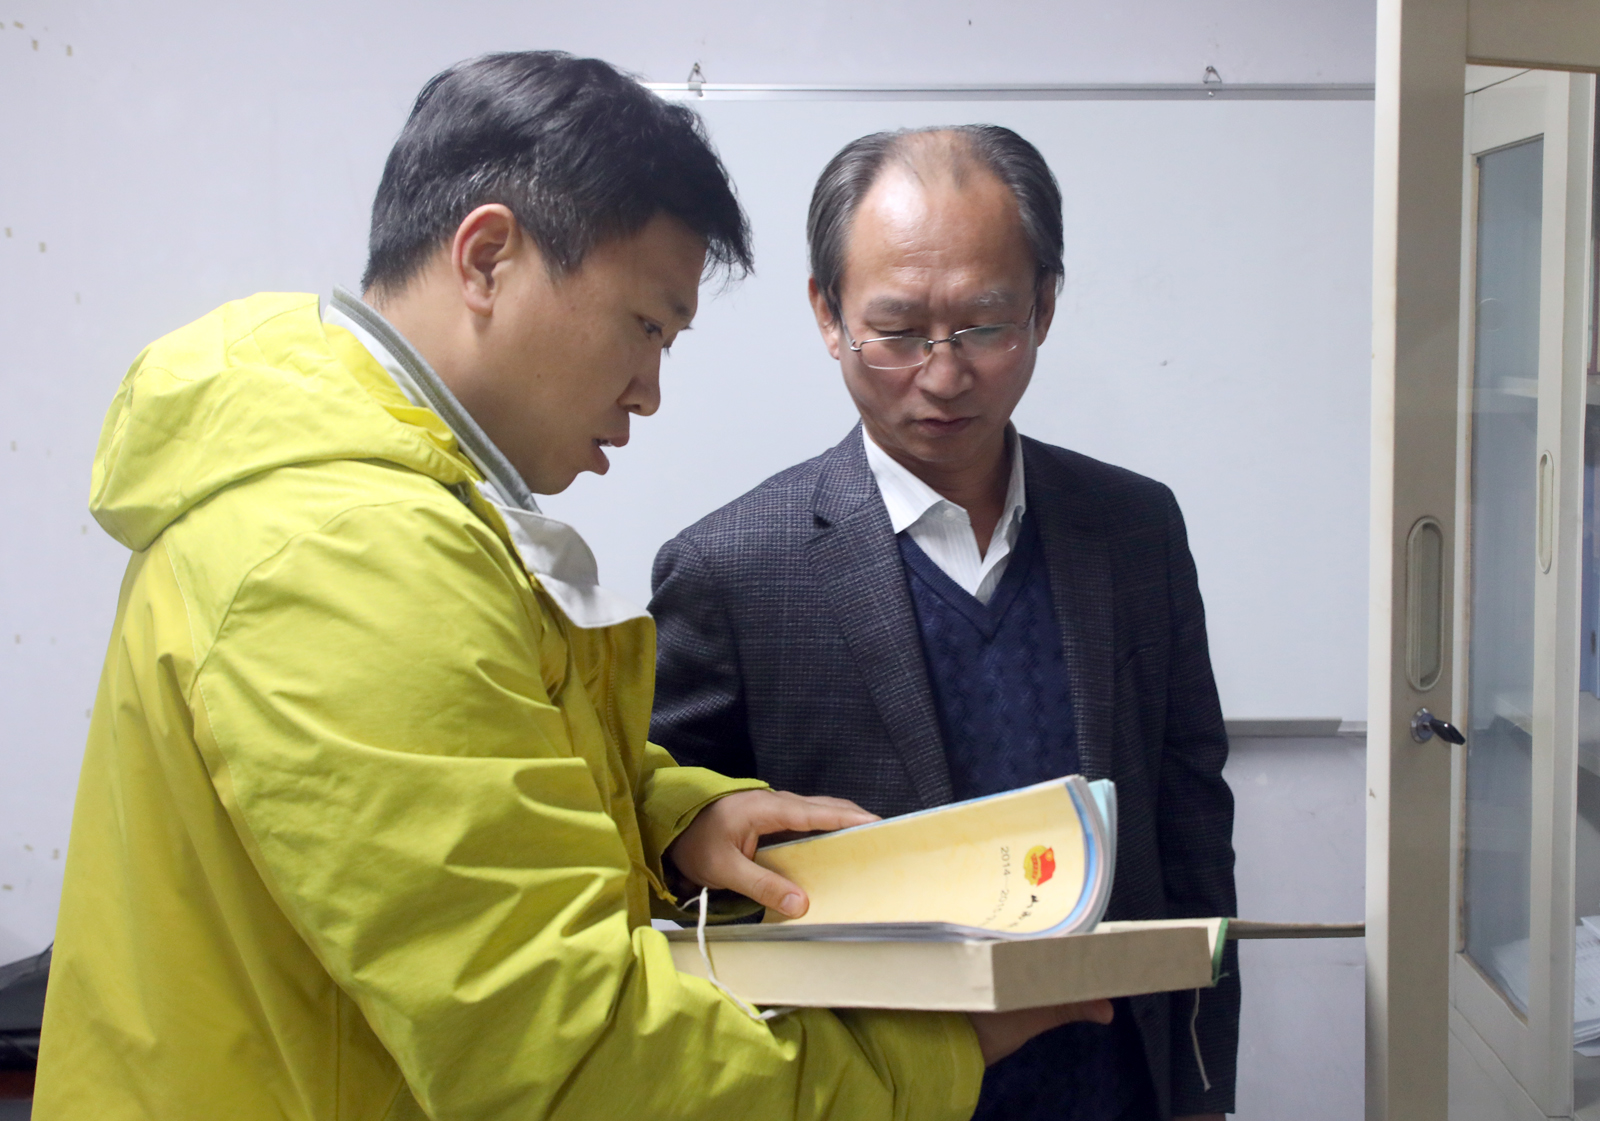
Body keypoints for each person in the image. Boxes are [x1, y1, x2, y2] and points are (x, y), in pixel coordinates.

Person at [32, 55, 1110, 1121]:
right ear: (487, 257)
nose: (649, 391)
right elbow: (565, 1054)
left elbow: (484, 773)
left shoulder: (392, 507)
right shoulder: (347, 554)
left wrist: (670, 813)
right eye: (645, 326)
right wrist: (933, 1054)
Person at [649, 125, 1240, 1121]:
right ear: (827, 313)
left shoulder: (1135, 528)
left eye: (983, 326)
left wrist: (1201, 1087)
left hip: (1116, 1079)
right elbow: (674, 873)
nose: (943, 374)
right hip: (872, 1088)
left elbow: (1191, 825)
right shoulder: (730, 568)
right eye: (897, 330)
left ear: (1044, 306)